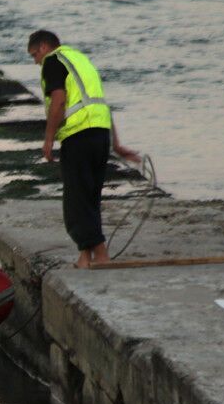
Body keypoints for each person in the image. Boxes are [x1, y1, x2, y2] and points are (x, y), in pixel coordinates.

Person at [28, 30, 142, 268]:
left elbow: (59, 99)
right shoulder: (81, 61)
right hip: (99, 133)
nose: (35, 61)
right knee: (90, 197)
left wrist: (48, 139)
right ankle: (86, 256)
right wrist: (116, 144)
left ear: (45, 47)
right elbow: (98, 102)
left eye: (34, 54)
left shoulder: (53, 61)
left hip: (78, 135)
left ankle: (99, 254)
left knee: (77, 200)